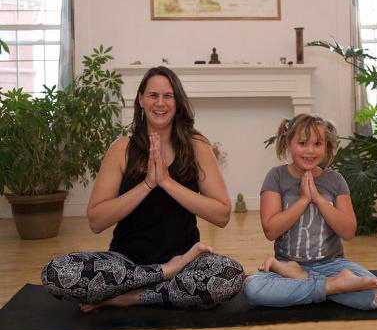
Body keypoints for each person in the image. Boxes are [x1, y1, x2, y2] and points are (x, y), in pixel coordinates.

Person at [41, 66, 244, 311]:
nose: (160, 103)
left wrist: (167, 182)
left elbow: (221, 215)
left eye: (168, 96)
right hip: (127, 264)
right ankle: (161, 276)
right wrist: (148, 184)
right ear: (141, 100)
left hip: (186, 261)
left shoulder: (197, 147)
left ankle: (129, 297)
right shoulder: (121, 149)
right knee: (56, 273)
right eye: (153, 95)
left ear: (177, 102)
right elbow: (96, 220)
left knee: (230, 275)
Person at [243, 113, 377, 310]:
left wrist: (318, 199)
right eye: (302, 143)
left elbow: (348, 232)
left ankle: (305, 281)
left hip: (331, 265)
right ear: (288, 142)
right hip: (286, 264)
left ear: (326, 147)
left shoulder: (335, 180)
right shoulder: (276, 177)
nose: (310, 151)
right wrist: (303, 200)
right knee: (253, 288)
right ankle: (333, 285)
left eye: (317, 144)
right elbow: (271, 231)